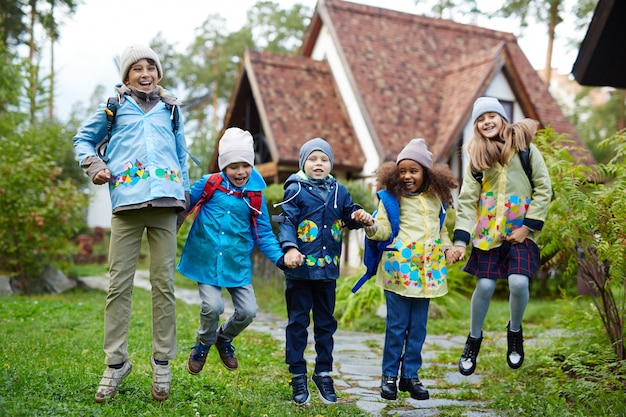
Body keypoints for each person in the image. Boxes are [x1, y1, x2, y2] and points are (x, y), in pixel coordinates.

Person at [73, 44, 190, 402]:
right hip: (126, 203)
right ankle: (115, 363)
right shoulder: (114, 106)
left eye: (150, 67)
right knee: (118, 285)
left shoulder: (170, 109)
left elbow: (182, 154)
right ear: (126, 76)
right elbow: (83, 140)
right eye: (137, 68)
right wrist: (95, 167)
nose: (145, 74)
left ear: (158, 73)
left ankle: (162, 361)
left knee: (163, 284)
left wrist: (184, 195)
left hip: (166, 203)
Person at [177, 127, 303, 376]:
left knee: (248, 311)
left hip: (236, 263)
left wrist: (280, 258)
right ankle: (203, 343)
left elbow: (264, 233)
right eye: (233, 166)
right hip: (206, 260)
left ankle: (223, 338)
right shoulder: (210, 184)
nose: (240, 171)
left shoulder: (255, 195)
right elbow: (183, 203)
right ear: (224, 166)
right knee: (212, 307)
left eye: (245, 165)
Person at [446, 97, 552, 376]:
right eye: (480, 119)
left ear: (503, 118)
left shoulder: (527, 150)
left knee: (518, 283)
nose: (486, 122)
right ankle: (473, 339)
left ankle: (514, 333)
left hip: (521, 233)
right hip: (487, 235)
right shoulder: (477, 159)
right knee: (485, 287)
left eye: (491, 115)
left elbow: (544, 188)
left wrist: (527, 227)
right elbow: (468, 201)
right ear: (477, 126)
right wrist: (460, 241)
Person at [351, 138, 458, 401]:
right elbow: (383, 229)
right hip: (398, 271)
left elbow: (441, 230)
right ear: (395, 174)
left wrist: (448, 248)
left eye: (414, 170)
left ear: (427, 172)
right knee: (397, 326)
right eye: (403, 171)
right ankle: (389, 376)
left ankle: (410, 376)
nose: (408, 176)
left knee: (418, 328)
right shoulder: (390, 199)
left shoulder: (436, 199)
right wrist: (370, 225)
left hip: (428, 274)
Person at [277, 137, 367, 405]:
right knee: (298, 323)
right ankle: (297, 375)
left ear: (331, 163)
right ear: (304, 162)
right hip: (300, 272)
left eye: (324, 159)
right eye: (313, 159)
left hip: (327, 272)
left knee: (326, 324)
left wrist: (359, 215)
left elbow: (349, 213)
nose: (319, 164)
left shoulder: (339, 191)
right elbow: (287, 221)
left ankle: (323, 373)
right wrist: (290, 248)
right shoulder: (295, 189)